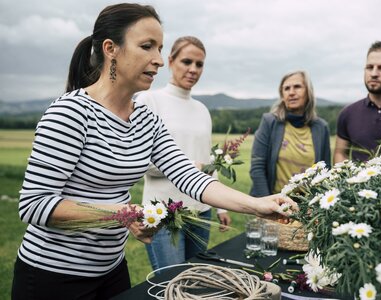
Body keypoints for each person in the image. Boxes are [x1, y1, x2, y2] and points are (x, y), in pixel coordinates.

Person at [10, 4, 296, 299]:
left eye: (160, 48)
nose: (159, 60)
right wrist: (123, 214)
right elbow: (35, 204)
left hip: (112, 270)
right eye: (147, 46)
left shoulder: (146, 119)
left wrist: (257, 204)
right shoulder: (70, 112)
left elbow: (190, 177)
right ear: (111, 49)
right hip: (53, 276)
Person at [135, 36, 231, 271]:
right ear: (170, 60)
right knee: (170, 285)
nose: (193, 69)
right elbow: (139, 161)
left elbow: (208, 161)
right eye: (186, 61)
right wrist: (188, 166)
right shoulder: (149, 100)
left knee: (195, 281)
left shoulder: (202, 110)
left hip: (201, 211)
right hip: (163, 214)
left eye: (199, 64)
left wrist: (220, 206)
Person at [250, 70, 331, 197]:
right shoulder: (269, 122)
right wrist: (266, 205)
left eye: (297, 87)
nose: (291, 92)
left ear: (308, 92)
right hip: (274, 201)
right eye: (286, 88)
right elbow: (257, 167)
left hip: (308, 207)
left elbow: (326, 170)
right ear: (282, 95)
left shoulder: (321, 127)